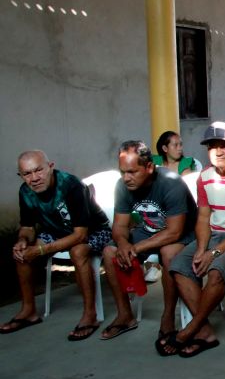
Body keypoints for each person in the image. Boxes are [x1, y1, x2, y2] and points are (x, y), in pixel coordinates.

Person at [161, 122, 225, 357]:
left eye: (224, 145)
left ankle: (191, 327)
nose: (218, 151)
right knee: (179, 266)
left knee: (215, 271)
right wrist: (202, 249)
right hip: (213, 235)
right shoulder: (205, 177)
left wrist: (214, 253)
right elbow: (203, 217)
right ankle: (205, 331)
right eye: (212, 146)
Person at [1, 151, 111, 340]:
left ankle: (90, 316)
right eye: (27, 174)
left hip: (94, 231)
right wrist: (22, 241)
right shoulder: (25, 192)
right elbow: (27, 227)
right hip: (56, 231)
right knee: (22, 252)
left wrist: (42, 250)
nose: (34, 178)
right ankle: (29, 311)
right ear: (21, 176)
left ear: (50, 167)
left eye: (39, 170)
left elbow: (80, 235)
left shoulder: (71, 185)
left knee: (78, 251)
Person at [100, 141, 197, 341]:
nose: (126, 178)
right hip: (149, 230)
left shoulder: (171, 182)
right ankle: (125, 315)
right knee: (110, 252)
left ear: (149, 167)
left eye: (132, 172)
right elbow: (119, 226)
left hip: (184, 231)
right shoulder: (123, 186)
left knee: (168, 253)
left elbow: (174, 232)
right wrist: (123, 244)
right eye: (122, 172)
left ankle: (168, 316)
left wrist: (134, 247)